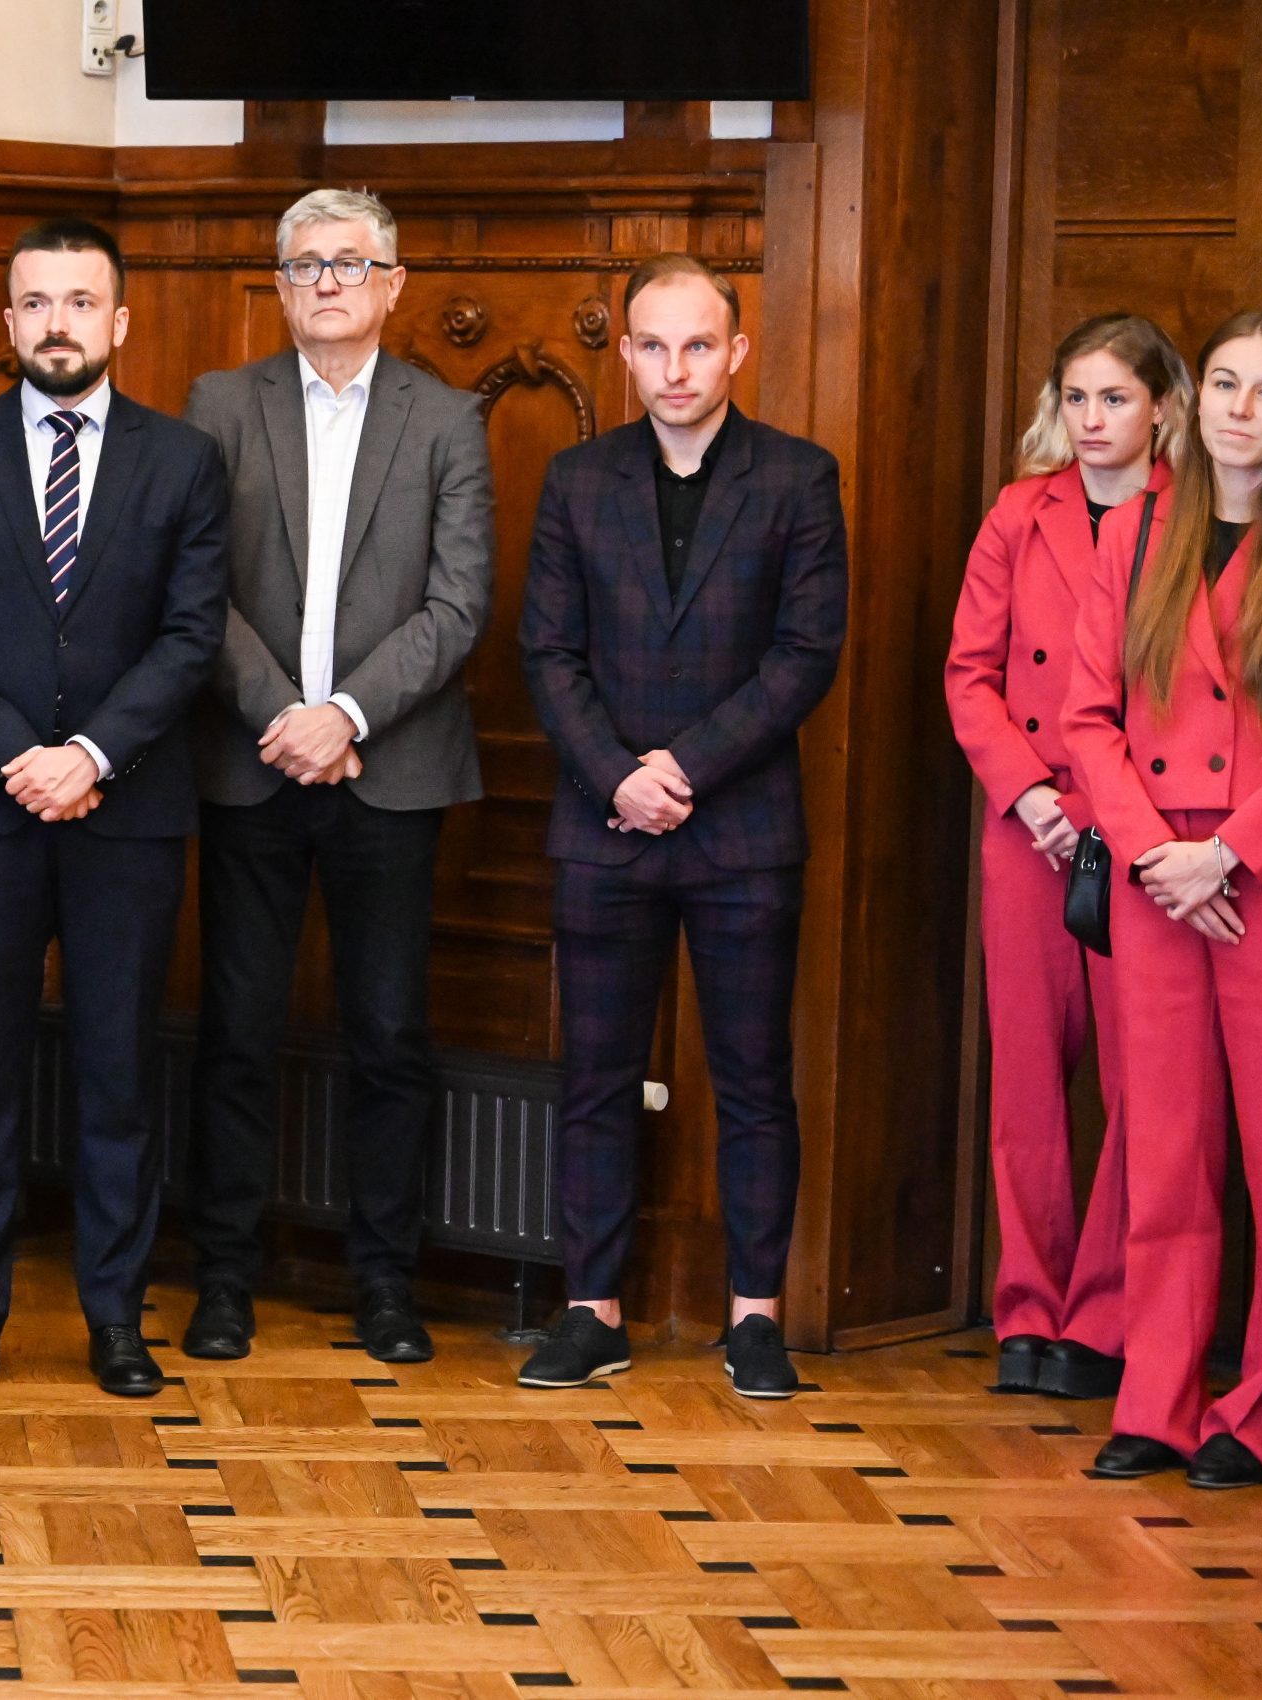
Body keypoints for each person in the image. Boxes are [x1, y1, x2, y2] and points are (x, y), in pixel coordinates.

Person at [0, 218, 228, 1399]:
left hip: (125, 813)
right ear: (7, 319)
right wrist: (17, 757)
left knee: (117, 1073)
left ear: (118, 320)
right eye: (35, 302)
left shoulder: (183, 460)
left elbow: (189, 635)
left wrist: (87, 754)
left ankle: (115, 1319)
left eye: (80, 302)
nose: (57, 323)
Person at [516, 253, 849, 1400]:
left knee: (752, 1078)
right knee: (594, 1077)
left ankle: (753, 1316)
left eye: (697, 344)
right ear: (625, 354)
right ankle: (591, 1310)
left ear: (736, 351)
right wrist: (618, 775)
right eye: (653, 345)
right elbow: (547, 651)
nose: (674, 368)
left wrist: (684, 767)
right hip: (602, 823)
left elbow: (804, 653)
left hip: (741, 828)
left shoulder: (797, 476)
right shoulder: (574, 478)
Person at [178, 188, 495, 1364]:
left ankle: (384, 1283)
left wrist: (346, 714)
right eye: (305, 263)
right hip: (251, 762)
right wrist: (284, 717)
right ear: (278, 284)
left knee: (389, 1036)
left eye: (349, 263)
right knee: (235, 1032)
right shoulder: (220, 404)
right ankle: (223, 1278)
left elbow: (458, 602)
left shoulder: (446, 419)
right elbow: (195, 587)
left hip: (390, 768)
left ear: (391, 283)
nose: (326, 281)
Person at [1063, 306, 1262, 1489]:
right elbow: (1086, 716)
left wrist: (1227, 853)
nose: (1240, 408)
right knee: (1164, 1149)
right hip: (1155, 877)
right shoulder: (1140, 525)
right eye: (1225, 383)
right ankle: (1157, 1399)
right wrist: (1151, 855)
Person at [946, 314, 1193, 1400]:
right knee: (1028, 1081)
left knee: (1142, 1083)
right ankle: (1029, 1310)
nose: (1092, 420)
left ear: (1160, 408)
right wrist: (1028, 792)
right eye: (1076, 398)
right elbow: (970, 673)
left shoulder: (1192, 520)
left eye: (1115, 399)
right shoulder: (1020, 511)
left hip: (1137, 834)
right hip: (1028, 829)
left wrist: (1097, 808)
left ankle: (1104, 1316)